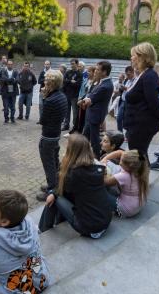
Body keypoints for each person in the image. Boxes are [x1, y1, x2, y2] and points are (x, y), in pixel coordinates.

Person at [38, 134, 113, 239]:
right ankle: (58, 221)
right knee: (61, 194)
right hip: (105, 220)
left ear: (71, 151)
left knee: (54, 198)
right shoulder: (96, 166)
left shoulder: (73, 174)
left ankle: (42, 229)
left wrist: (64, 164)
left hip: (91, 228)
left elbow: (60, 188)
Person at [123, 43, 159, 158]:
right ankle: (141, 176)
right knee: (139, 156)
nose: (131, 58)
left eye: (133, 55)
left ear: (143, 57)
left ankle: (142, 176)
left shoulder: (150, 76)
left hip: (142, 126)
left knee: (138, 157)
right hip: (137, 125)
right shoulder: (143, 74)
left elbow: (153, 102)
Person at [36, 69, 68, 202]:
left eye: (46, 82)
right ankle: (57, 183)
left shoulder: (49, 100)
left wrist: (44, 98)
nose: (44, 84)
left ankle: (52, 189)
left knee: (48, 163)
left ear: (51, 84)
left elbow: (42, 119)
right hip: (56, 134)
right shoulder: (62, 96)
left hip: (48, 136)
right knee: (54, 160)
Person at [79, 61, 113, 157]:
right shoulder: (102, 82)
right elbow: (91, 93)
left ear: (104, 72)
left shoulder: (105, 86)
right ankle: (81, 155)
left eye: (98, 70)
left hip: (95, 116)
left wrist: (82, 101)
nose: (95, 71)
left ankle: (97, 159)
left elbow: (90, 98)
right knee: (85, 138)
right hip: (92, 115)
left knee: (94, 141)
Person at [104, 149, 149, 218]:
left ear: (130, 165)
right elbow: (120, 152)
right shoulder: (140, 169)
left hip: (126, 210)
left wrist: (103, 166)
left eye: (121, 161)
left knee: (99, 189)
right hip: (137, 204)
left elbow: (105, 181)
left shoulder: (124, 176)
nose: (119, 162)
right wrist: (105, 158)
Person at [62, 58, 83, 132]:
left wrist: (69, 82)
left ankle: (75, 126)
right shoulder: (68, 72)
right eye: (71, 64)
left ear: (77, 64)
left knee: (75, 112)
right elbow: (64, 81)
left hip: (74, 96)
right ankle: (66, 125)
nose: (71, 65)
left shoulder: (80, 74)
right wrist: (71, 81)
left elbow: (78, 84)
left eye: (73, 64)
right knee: (66, 111)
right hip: (67, 94)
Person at [115, 66, 135, 132]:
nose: (127, 76)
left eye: (129, 74)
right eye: (126, 74)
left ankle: (127, 134)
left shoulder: (136, 80)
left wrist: (126, 88)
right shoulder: (126, 80)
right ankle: (119, 133)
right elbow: (122, 89)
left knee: (129, 120)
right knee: (119, 118)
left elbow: (134, 91)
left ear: (133, 72)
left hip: (130, 103)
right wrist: (121, 88)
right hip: (123, 101)